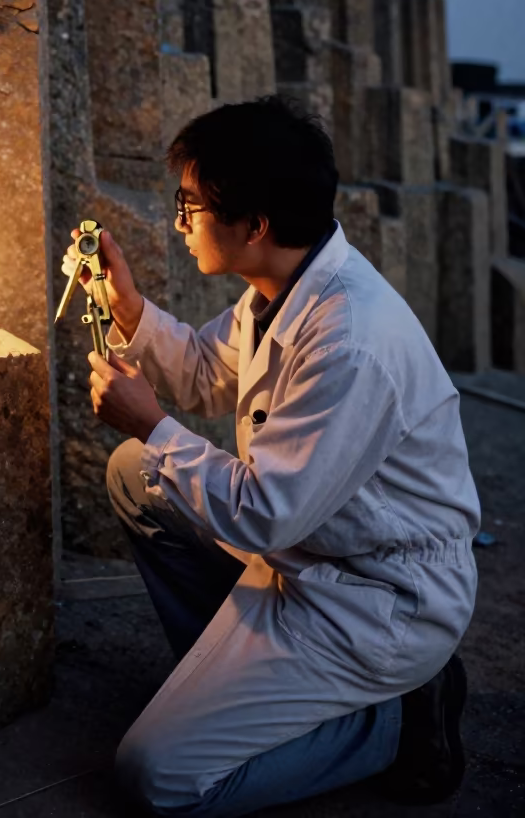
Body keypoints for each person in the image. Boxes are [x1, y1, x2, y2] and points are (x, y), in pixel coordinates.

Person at [65, 97, 479, 817]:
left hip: (377, 597)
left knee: (156, 777)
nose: (180, 221)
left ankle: (388, 721)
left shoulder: (349, 339)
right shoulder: (283, 289)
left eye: (190, 205)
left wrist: (153, 424)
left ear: (254, 225)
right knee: (138, 478)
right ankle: (243, 698)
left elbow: (266, 515)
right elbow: (202, 369)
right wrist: (127, 307)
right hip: (311, 553)